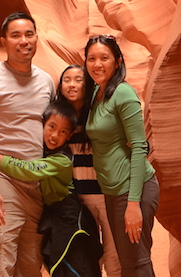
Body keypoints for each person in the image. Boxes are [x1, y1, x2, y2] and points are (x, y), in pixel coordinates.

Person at [0, 11, 54, 277]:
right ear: (3, 42)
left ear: (37, 38)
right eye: (15, 35)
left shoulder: (46, 81)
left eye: (29, 34)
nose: (23, 41)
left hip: (35, 186)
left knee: (29, 267)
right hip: (2, 182)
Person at [0, 100, 103, 277]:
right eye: (51, 127)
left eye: (62, 132)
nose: (54, 135)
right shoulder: (44, 152)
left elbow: (28, 170)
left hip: (69, 219)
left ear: (69, 135)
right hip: (54, 216)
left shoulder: (62, 160)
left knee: (76, 268)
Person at [84, 35, 159, 277]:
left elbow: (139, 147)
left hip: (132, 188)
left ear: (117, 62)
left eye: (104, 58)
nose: (97, 64)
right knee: (129, 264)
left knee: (136, 264)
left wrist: (133, 204)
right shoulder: (97, 92)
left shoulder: (123, 93)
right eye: (91, 58)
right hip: (112, 191)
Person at [55, 65, 122, 277]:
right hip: (79, 200)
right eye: (67, 80)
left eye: (78, 80)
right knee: (90, 257)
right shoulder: (58, 120)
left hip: (106, 195)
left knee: (114, 257)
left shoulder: (99, 114)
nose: (72, 84)